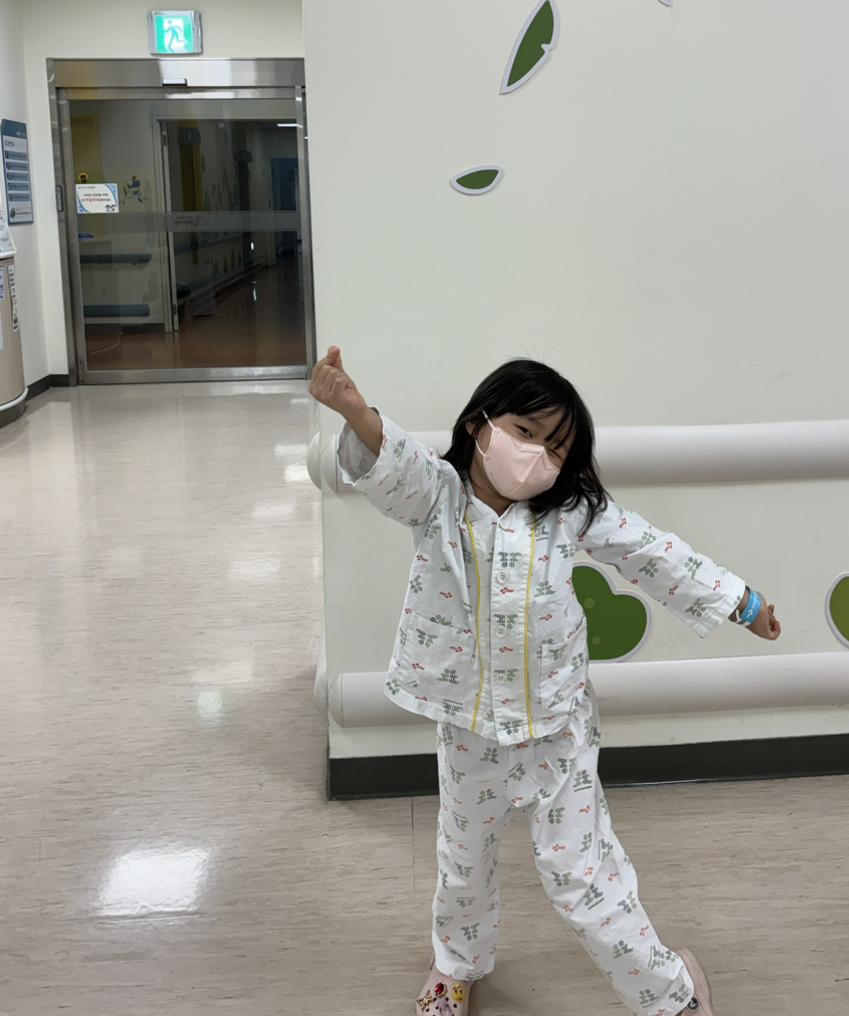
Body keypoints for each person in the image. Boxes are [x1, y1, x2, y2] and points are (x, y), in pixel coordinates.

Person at [310, 346, 781, 1016]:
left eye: (555, 448)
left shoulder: (571, 514)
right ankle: (456, 964)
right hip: (470, 732)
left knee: (582, 879)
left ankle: (670, 991)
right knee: (463, 862)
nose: (535, 455)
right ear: (479, 425)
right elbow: (393, 459)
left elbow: (651, 550)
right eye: (524, 431)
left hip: (556, 733)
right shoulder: (438, 497)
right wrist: (354, 410)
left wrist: (740, 601)